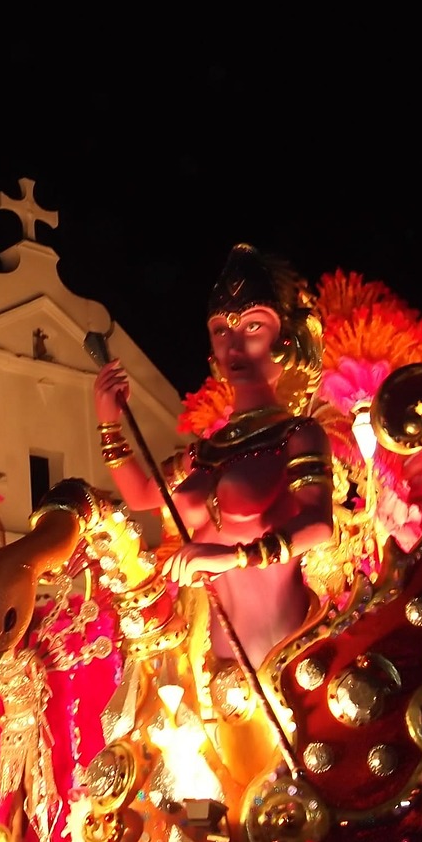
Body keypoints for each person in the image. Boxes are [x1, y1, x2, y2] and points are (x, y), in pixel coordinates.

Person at [92, 242, 335, 785]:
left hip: (288, 668)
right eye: (221, 329)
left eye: (252, 325)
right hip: (217, 673)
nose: (234, 343)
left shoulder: (297, 433)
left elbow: (319, 526)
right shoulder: (207, 451)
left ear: (285, 339)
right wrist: (109, 423)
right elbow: (140, 496)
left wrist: (230, 558)